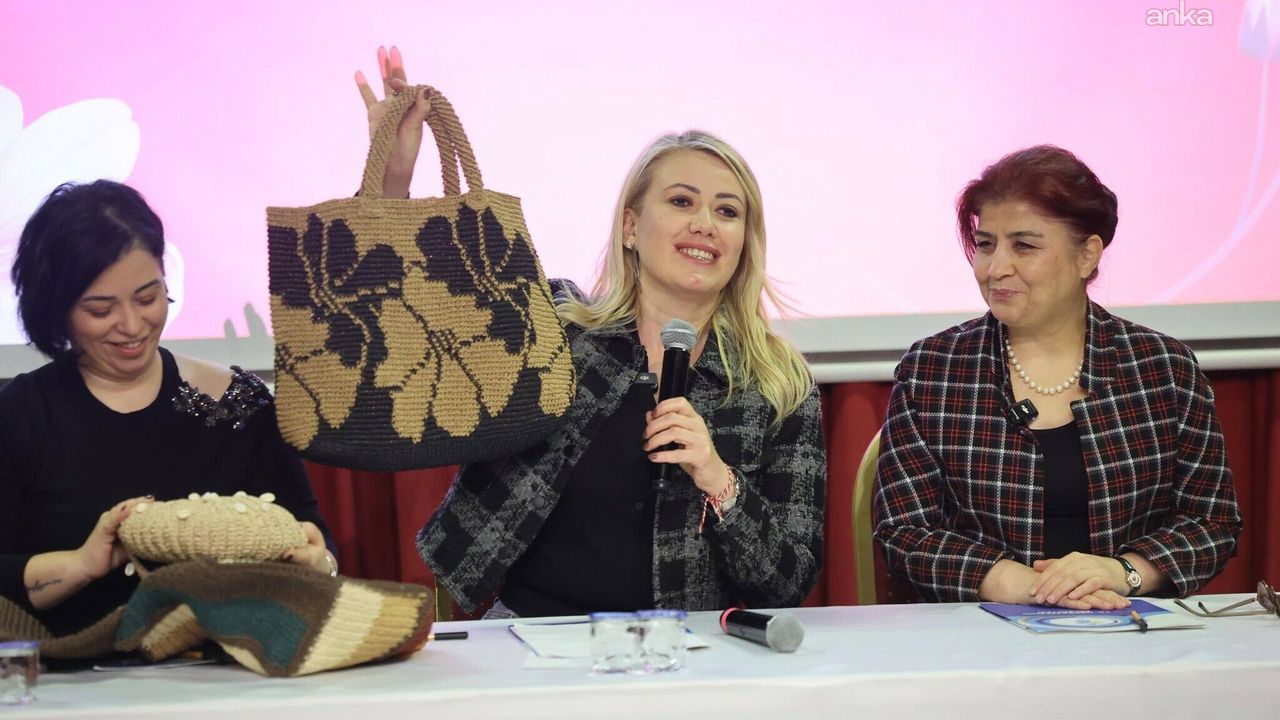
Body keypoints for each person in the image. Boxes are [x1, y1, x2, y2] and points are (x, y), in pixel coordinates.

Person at [354, 47, 825, 616]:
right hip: (532, 637)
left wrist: (716, 476)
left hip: (691, 651)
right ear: (630, 226)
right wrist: (391, 181)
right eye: (681, 201)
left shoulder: (778, 383)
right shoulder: (553, 326)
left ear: (744, 242)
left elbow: (788, 584)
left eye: (728, 212)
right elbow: (408, 326)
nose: (705, 223)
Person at [873, 145, 1242, 609]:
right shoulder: (934, 369)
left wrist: (1122, 571)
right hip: (981, 630)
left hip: (1131, 625)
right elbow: (904, 531)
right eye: (985, 245)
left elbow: (1212, 522)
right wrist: (1018, 583)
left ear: (1087, 255)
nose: (996, 268)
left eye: (1024, 246)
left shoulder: (1163, 369)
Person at [0, 180, 336, 637]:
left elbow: (311, 537)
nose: (132, 325)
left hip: (229, 667)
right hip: (71, 673)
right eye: (100, 310)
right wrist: (81, 564)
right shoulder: (22, 415)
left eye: (147, 298)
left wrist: (320, 561)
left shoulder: (238, 403)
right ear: (58, 310)